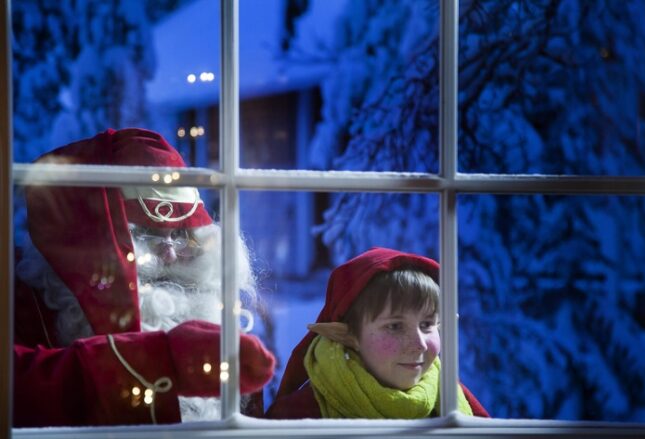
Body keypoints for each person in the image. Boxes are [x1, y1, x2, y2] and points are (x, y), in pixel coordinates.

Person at [13, 128, 275, 427]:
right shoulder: (22, 308)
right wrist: (157, 360)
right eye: (145, 235)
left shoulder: (223, 324)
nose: (170, 256)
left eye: (182, 235)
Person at [265, 247, 488, 419]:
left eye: (427, 324)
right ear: (349, 336)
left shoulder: (451, 399)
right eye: (395, 326)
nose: (419, 344)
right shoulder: (299, 415)